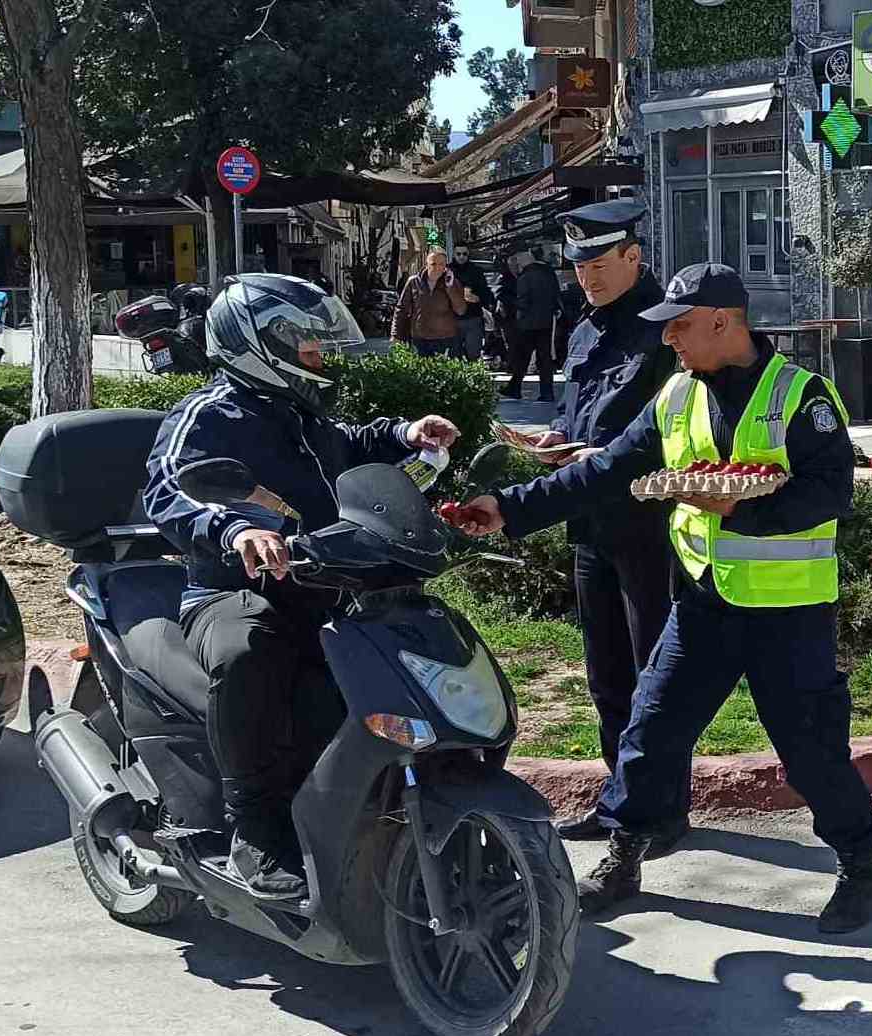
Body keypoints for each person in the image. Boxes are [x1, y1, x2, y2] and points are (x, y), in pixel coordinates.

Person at [456, 263, 872, 935]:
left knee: (811, 752)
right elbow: (602, 470)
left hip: (789, 614)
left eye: (680, 327)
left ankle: (859, 866)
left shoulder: (803, 397)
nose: (670, 342)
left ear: (724, 321)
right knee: (650, 729)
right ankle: (626, 854)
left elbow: (831, 494)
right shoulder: (677, 396)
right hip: (705, 604)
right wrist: (507, 509)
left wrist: (737, 508)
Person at [144, 274, 460, 899]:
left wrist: (405, 435)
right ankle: (254, 825)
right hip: (232, 589)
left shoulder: (300, 410)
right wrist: (233, 530)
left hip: (322, 579)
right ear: (261, 344)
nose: (320, 356)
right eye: (309, 344)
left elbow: (347, 450)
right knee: (249, 653)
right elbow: (168, 486)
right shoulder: (207, 413)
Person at [532, 200, 689, 853]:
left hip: (648, 523)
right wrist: (556, 438)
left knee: (655, 678)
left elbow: (681, 428)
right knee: (605, 677)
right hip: (590, 524)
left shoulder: (667, 331)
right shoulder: (583, 331)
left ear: (633, 256)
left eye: (599, 263)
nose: (587, 277)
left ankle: (665, 811)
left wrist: (609, 455)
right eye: (579, 267)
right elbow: (579, 415)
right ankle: (619, 800)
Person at [504, 245, 561, 402]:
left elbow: (523, 302)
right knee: (545, 358)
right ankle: (546, 392)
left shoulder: (525, 277)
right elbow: (557, 295)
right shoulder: (549, 275)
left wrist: (516, 314)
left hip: (527, 324)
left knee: (523, 358)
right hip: (546, 321)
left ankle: (515, 388)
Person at [390, 248, 467, 356]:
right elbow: (401, 309)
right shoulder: (414, 282)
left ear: (446, 266)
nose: (437, 268)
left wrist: (450, 288)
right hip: (419, 339)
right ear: (426, 264)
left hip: (445, 339)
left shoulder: (453, 283)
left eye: (441, 264)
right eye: (433, 264)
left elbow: (461, 310)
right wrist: (395, 335)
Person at [450, 243, 495, 361]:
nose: (461, 257)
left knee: (473, 352)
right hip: (452, 318)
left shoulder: (476, 271)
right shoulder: (448, 271)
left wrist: (477, 298)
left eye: (464, 254)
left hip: (472, 317)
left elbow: (485, 292)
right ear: (454, 255)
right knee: (454, 354)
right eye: (458, 254)